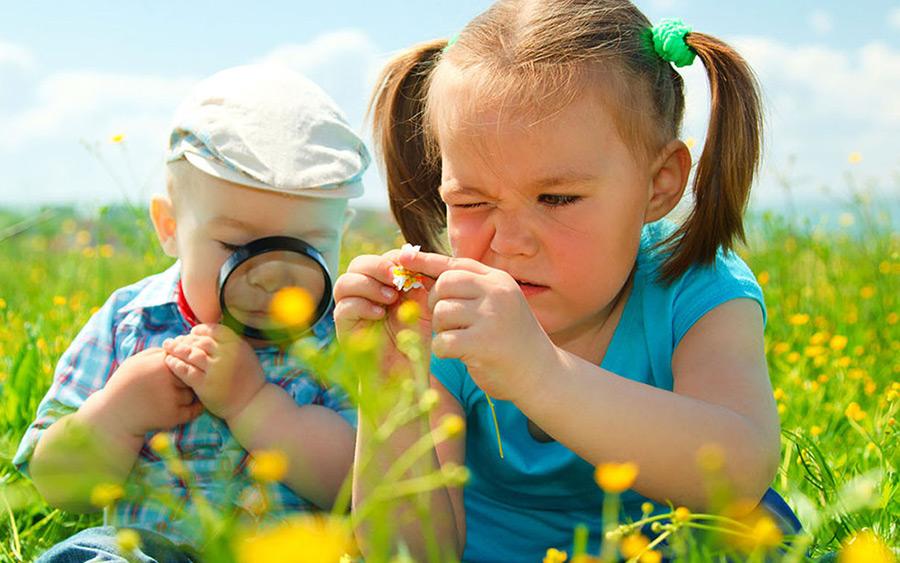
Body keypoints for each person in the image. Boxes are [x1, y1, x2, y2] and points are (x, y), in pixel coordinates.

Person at [335, 1, 802, 560]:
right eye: (471, 201)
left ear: (659, 184)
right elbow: (410, 552)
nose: (509, 243)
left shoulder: (697, 289)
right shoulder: (445, 319)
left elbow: (740, 472)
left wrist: (539, 375)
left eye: (557, 198)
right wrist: (388, 386)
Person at [15, 64, 370, 562]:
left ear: (342, 232)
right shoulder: (131, 320)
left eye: (306, 246)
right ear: (168, 226)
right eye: (236, 245)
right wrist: (117, 412)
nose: (270, 274)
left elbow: (361, 488)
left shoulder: (345, 336)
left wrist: (254, 404)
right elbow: (56, 484)